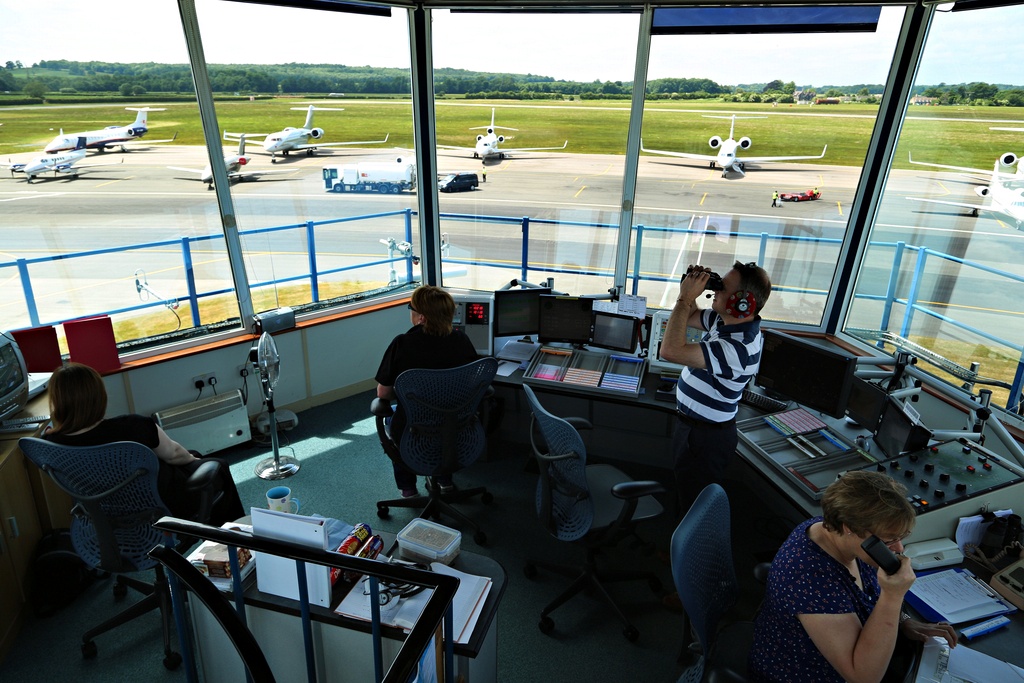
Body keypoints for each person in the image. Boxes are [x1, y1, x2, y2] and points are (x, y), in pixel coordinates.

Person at [749, 471, 958, 683]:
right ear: (850, 528)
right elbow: (863, 677)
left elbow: (870, 597)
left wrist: (903, 621)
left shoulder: (835, 533)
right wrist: (893, 597)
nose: (898, 548)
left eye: (900, 538)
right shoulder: (810, 577)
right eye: (888, 541)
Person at [42, 362, 245, 527]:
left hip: (107, 509)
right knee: (216, 465)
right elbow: (174, 454)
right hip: (158, 505)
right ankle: (235, 542)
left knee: (195, 456)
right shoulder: (132, 426)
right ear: (98, 397)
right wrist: (194, 460)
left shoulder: (50, 444)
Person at [660, 261, 772, 513]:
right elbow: (688, 316)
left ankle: (689, 549)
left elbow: (670, 350)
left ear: (743, 302)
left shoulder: (739, 348)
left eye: (722, 288)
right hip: (691, 428)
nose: (716, 291)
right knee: (685, 490)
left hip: (705, 439)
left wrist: (684, 297)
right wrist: (688, 289)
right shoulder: (725, 322)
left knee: (695, 505)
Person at [375, 285, 478, 498]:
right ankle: (444, 480)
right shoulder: (461, 340)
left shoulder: (402, 344)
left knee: (394, 420)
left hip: (414, 428)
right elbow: (472, 384)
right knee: (440, 428)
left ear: (421, 318)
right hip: (455, 426)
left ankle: (409, 490)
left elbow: (383, 395)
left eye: (411, 308)